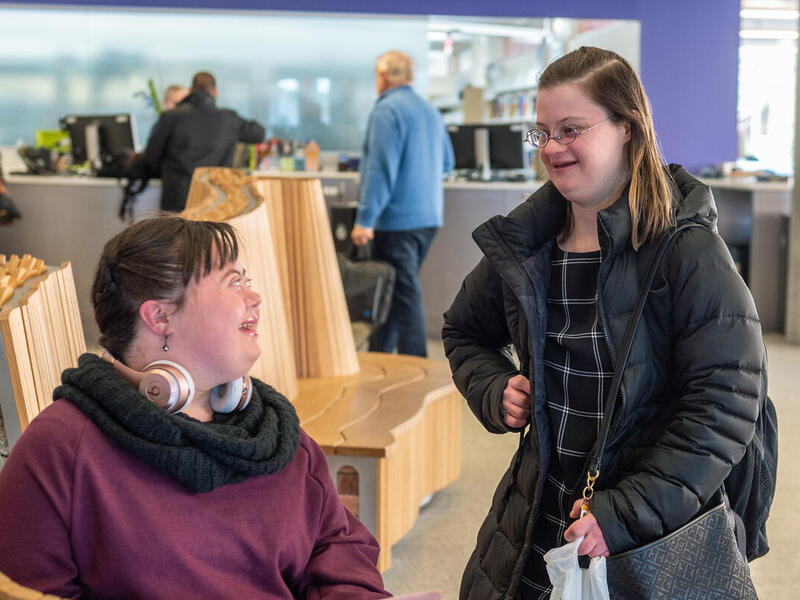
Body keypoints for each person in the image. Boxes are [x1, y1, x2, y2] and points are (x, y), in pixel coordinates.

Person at [442, 46, 765, 599]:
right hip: (537, 517)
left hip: (644, 531)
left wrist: (625, 515)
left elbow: (723, 405)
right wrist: (494, 388)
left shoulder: (687, 251)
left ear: (627, 129)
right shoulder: (528, 245)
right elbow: (464, 332)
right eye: (542, 133)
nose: (552, 148)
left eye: (571, 129)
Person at [0, 217, 390, 599]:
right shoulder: (62, 448)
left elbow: (339, 553)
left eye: (247, 280)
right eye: (233, 282)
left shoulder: (274, 434)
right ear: (160, 316)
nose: (255, 297)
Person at [351, 50, 454, 357]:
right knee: (393, 292)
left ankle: (417, 363)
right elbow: (447, 162)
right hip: (428, 219)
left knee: (404, 296)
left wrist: (365, 219)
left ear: (383, 77)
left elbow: (380, 170)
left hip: (397, 222)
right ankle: (380, 355)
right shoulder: (430, 111)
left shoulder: (386, 111)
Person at [144, 72, 265, 212]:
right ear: (215, 92)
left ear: (190, 90)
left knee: (175, 228)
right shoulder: (229, 118)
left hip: (178, 201)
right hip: (217, 203)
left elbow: (151, 157)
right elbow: (259, 134)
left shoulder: (171, 117)